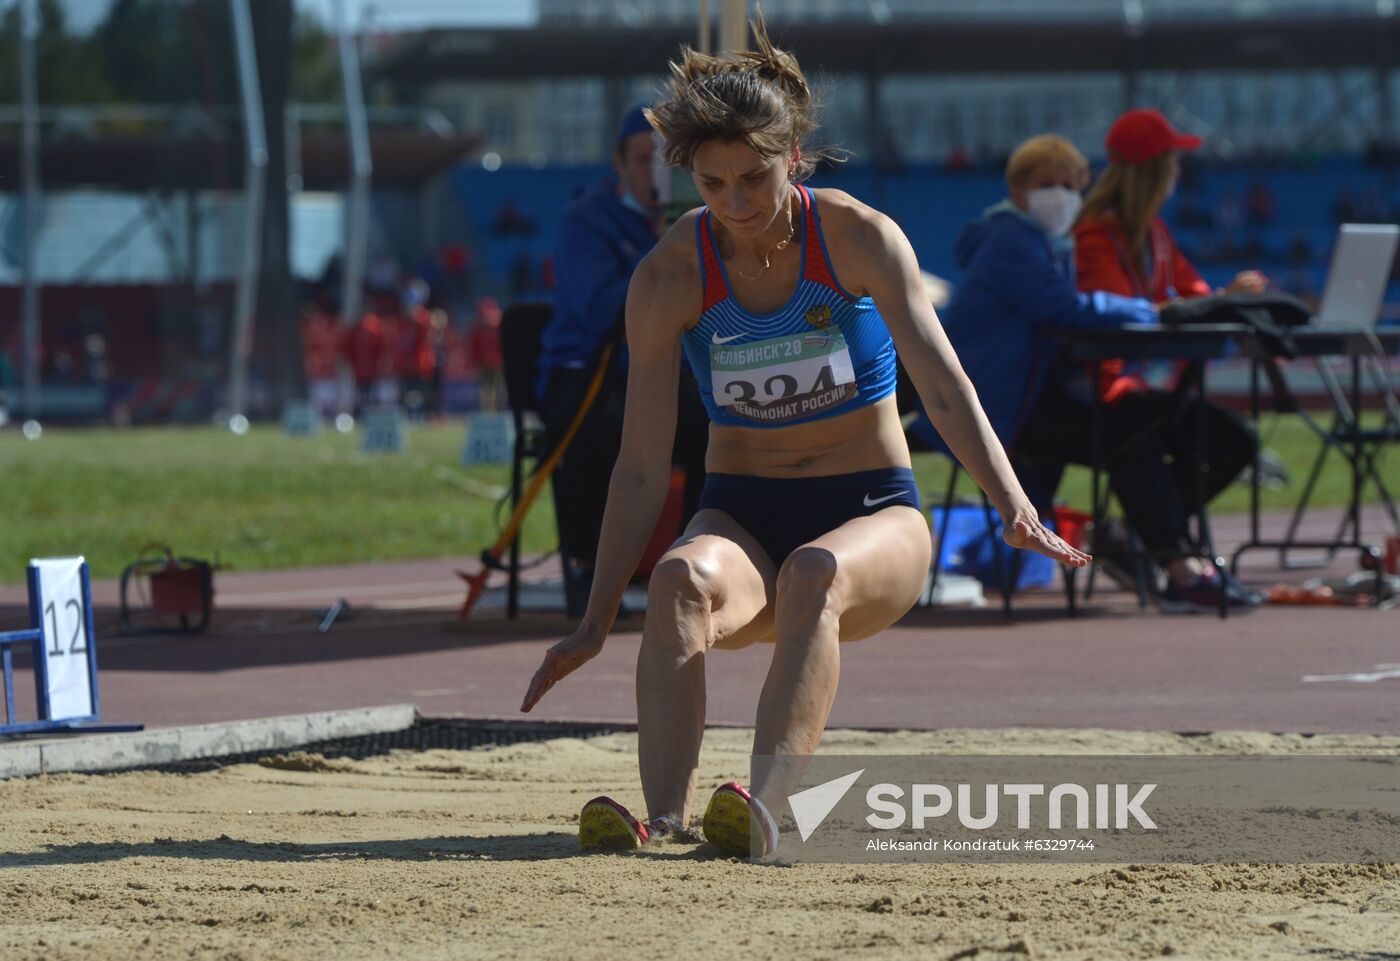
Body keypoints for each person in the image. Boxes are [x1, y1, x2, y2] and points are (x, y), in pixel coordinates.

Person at [519, 15, 1088, 858]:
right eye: (713, 185)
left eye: (754, 178)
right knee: (677, 577)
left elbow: (943, 381)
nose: (737, 205)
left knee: (816, 573)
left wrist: (1012, 502)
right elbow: (640, 465)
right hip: (743, 515)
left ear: (794, 155)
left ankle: (765, 807)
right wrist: (595, 618)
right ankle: (666, 817)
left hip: (870, 514)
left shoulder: (858, 236)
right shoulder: (672, 274)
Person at [1068, 108, 1266, 610]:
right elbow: (1119, 315)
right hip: (1099, 388)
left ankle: (1128, 534)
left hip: (1147, 388)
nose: (1180, 172)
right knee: (1138, 432)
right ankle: (1176, 562)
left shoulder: (1155, 233)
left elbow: (1194, 297)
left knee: (1232, 440)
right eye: (1173, 161)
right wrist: (1192, 306)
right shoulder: (1094, 234)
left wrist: (1229, 296)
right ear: (1153, 171)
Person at [535, 105, 710, 617]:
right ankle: (586, 568)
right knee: (599, 429)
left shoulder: (706, 220)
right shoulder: (586, 221)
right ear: (618, 164)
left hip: (669, 376)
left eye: (667, 160)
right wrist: (667, 256)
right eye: (642, 159)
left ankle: (696, 561)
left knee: (718, 423)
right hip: (589, 373)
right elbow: (597, 307)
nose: (655, 171)